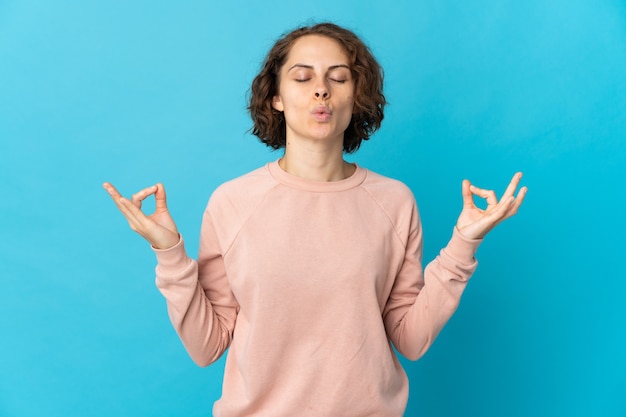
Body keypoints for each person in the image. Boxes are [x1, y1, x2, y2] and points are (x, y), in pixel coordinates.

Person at [103, 22, 526, 417]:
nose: (321, 91)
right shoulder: (233, 201)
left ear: (355, 96)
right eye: (303, 78)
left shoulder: (394, 201)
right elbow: (207, 346)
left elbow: (410, 340)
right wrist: (169, 254)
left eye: (338, 78)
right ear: (277, 97)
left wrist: (463, 246)